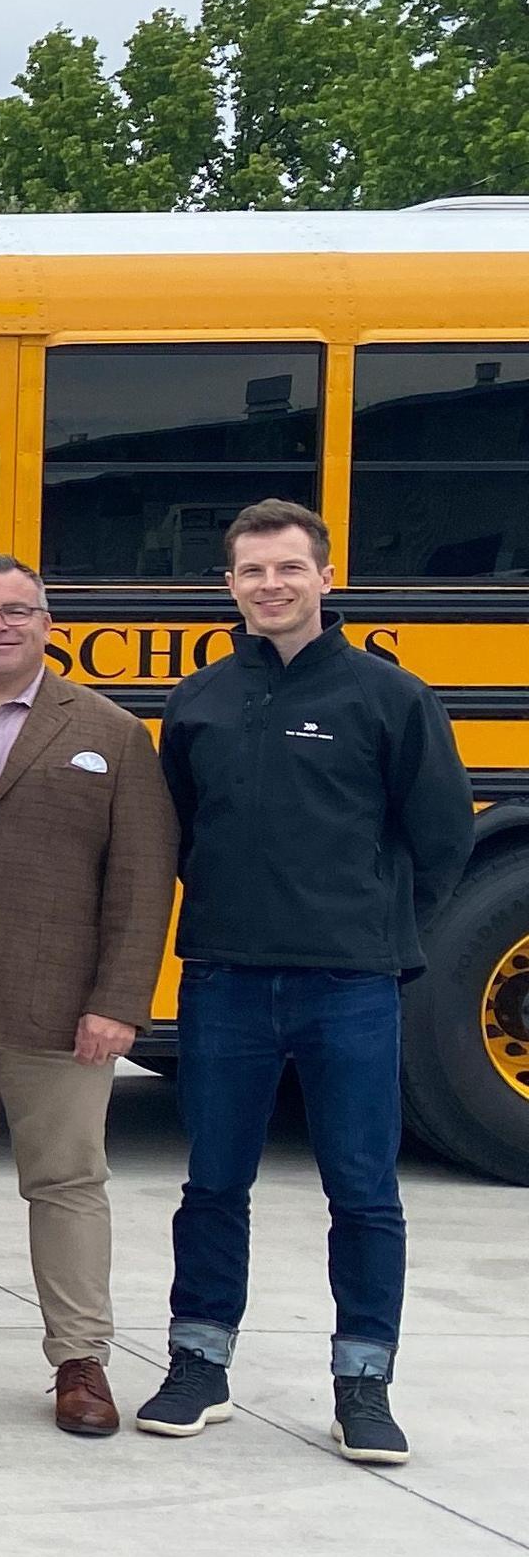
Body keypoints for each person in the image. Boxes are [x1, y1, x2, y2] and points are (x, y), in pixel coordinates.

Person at [140, 499, 473, 1465]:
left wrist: (376, 928)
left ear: (328, 577)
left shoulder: (389, 697)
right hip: (226, 981)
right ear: (230, 586)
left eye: (290, 569)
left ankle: (364, 1383)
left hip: (351, 985)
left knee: (364, 1189)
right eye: (252, 572)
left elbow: (442, 837)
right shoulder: (198, 700)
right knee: (212, 1183)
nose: (271, 586)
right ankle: (199, 1364)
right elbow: (182, 832)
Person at [0, 556, 176, 1440]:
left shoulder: (112, 733)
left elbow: (141, 878)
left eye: (17, 611)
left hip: (64, 1011)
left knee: (67, 1182)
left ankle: (80, 1359)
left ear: (48, 623)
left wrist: (119, 999)